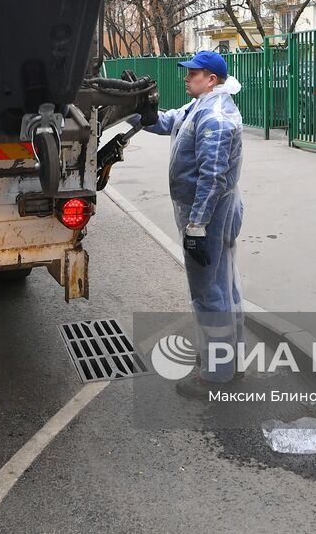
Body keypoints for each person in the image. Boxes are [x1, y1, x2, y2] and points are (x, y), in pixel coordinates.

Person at [131, 50, 245, 396]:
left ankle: (216, 376)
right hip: (209, 212)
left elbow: (212, 178)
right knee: (224, 286)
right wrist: (136, 109)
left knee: (208, 293)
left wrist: (196, 227)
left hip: (207, 215)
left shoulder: (216, 118)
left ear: (211, 79)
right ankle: (226, 359)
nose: (185, 77)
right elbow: (166, 123)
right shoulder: (200, 107)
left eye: (192, 73)